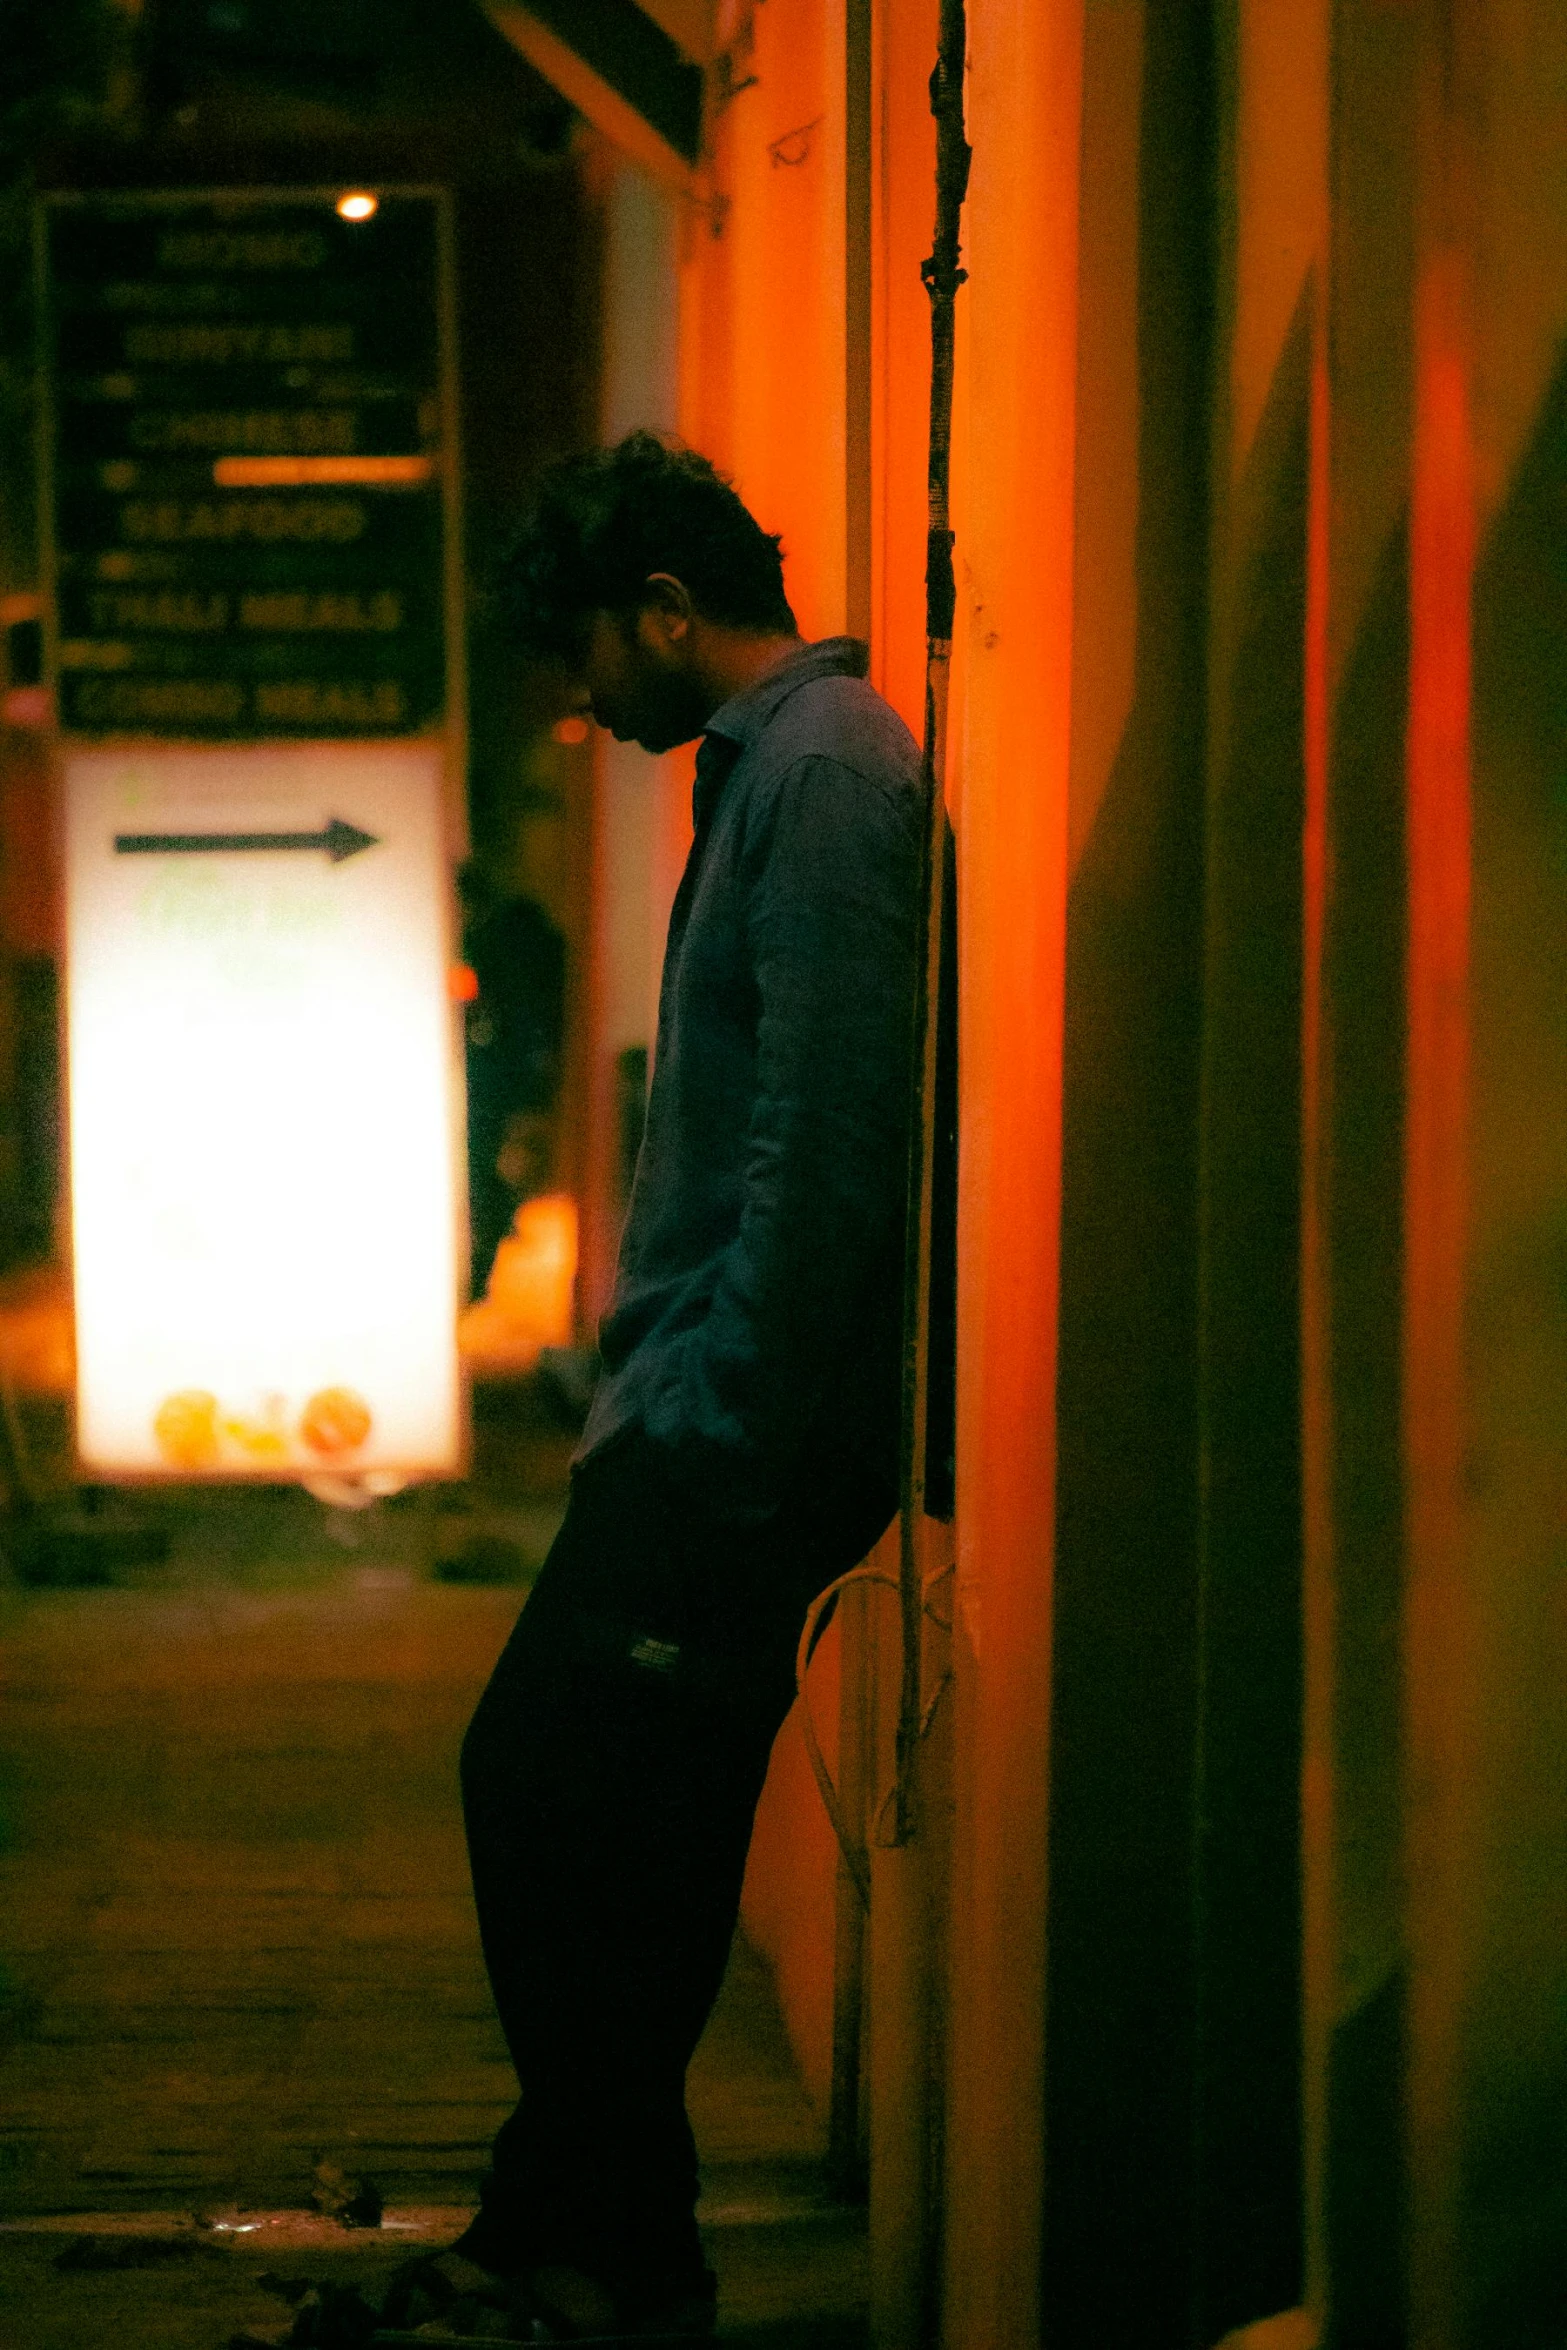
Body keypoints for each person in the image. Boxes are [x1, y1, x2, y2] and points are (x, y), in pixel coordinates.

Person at [399, 433, 923, 2343]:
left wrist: (714, 1417)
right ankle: (591, 2233)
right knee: (620, 1813)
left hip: (742, 1423)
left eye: (585, 656)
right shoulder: (779, 767)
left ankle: (605, 2237)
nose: (578, 700)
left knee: (548, 1778)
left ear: (665, 612)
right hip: (715, 1402)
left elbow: (828, 1131)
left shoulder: (827, 770)